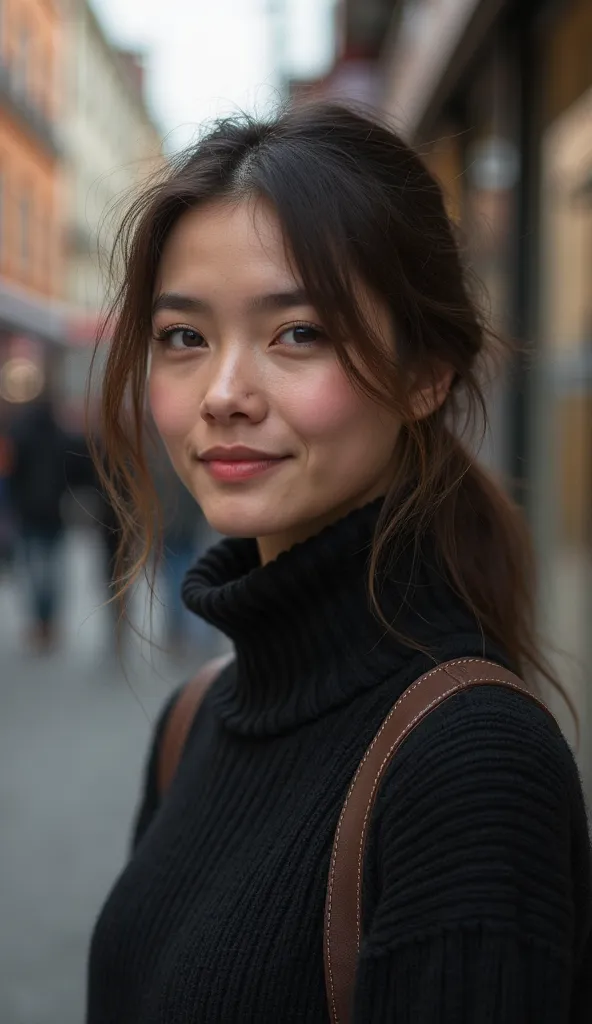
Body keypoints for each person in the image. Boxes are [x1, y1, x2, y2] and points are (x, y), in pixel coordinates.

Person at [86, 104, 591, 1022]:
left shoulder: (470, 768)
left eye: (299, 334)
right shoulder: (198, 715)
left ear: (425, 374)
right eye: (184, 338)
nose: (225, 395)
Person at [8, 395, 70, 651]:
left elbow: (13, 475)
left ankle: (39, 623)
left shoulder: (22, 438)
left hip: (29, 515)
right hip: (54, 514)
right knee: (52, 571)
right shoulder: (60, 439)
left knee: (34, 572)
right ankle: (49, 622)